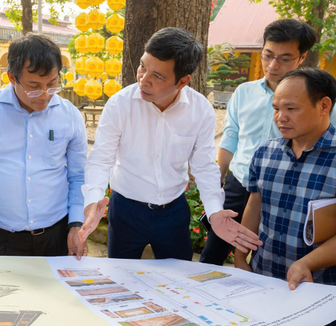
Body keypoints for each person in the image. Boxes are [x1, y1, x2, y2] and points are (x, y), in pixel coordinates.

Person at [80, 27, 262, 261]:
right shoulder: (120, 104)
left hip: (173, 212)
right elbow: (101, 159)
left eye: (157, 76)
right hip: (126, 211)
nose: (144, 80)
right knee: (120, 277)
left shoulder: (199, 110)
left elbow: (204, 166)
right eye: (143, 66)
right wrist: (94, 200)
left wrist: (215, 210)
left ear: (182, 81)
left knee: (178, 278)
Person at [235, 69, 336, 326]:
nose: (280, 118)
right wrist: (240, 257)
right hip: (264, 278)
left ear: (324, 105)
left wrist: (306, 263)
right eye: (276, 108)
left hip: (321, 288)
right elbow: (255, 206)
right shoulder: (265, 152)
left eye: (292, 108)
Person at [201, 19, 336, 266]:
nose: (273, 65)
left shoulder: (315, 100)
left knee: (267, 249)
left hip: (279, 192)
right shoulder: (244, 92)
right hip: (238, 183)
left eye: (285, 58)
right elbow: (231, 136)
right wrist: (216, 182)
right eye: (268, 55)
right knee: (213, 252)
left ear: (302, 57)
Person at [0, 34, 88, 262]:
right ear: (12, 78)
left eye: (52, 84)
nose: (45, 95)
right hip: (3, 240)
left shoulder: (70, 116)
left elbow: (79, 177)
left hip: (56, 238)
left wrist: (76, 224)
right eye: (34, 87)